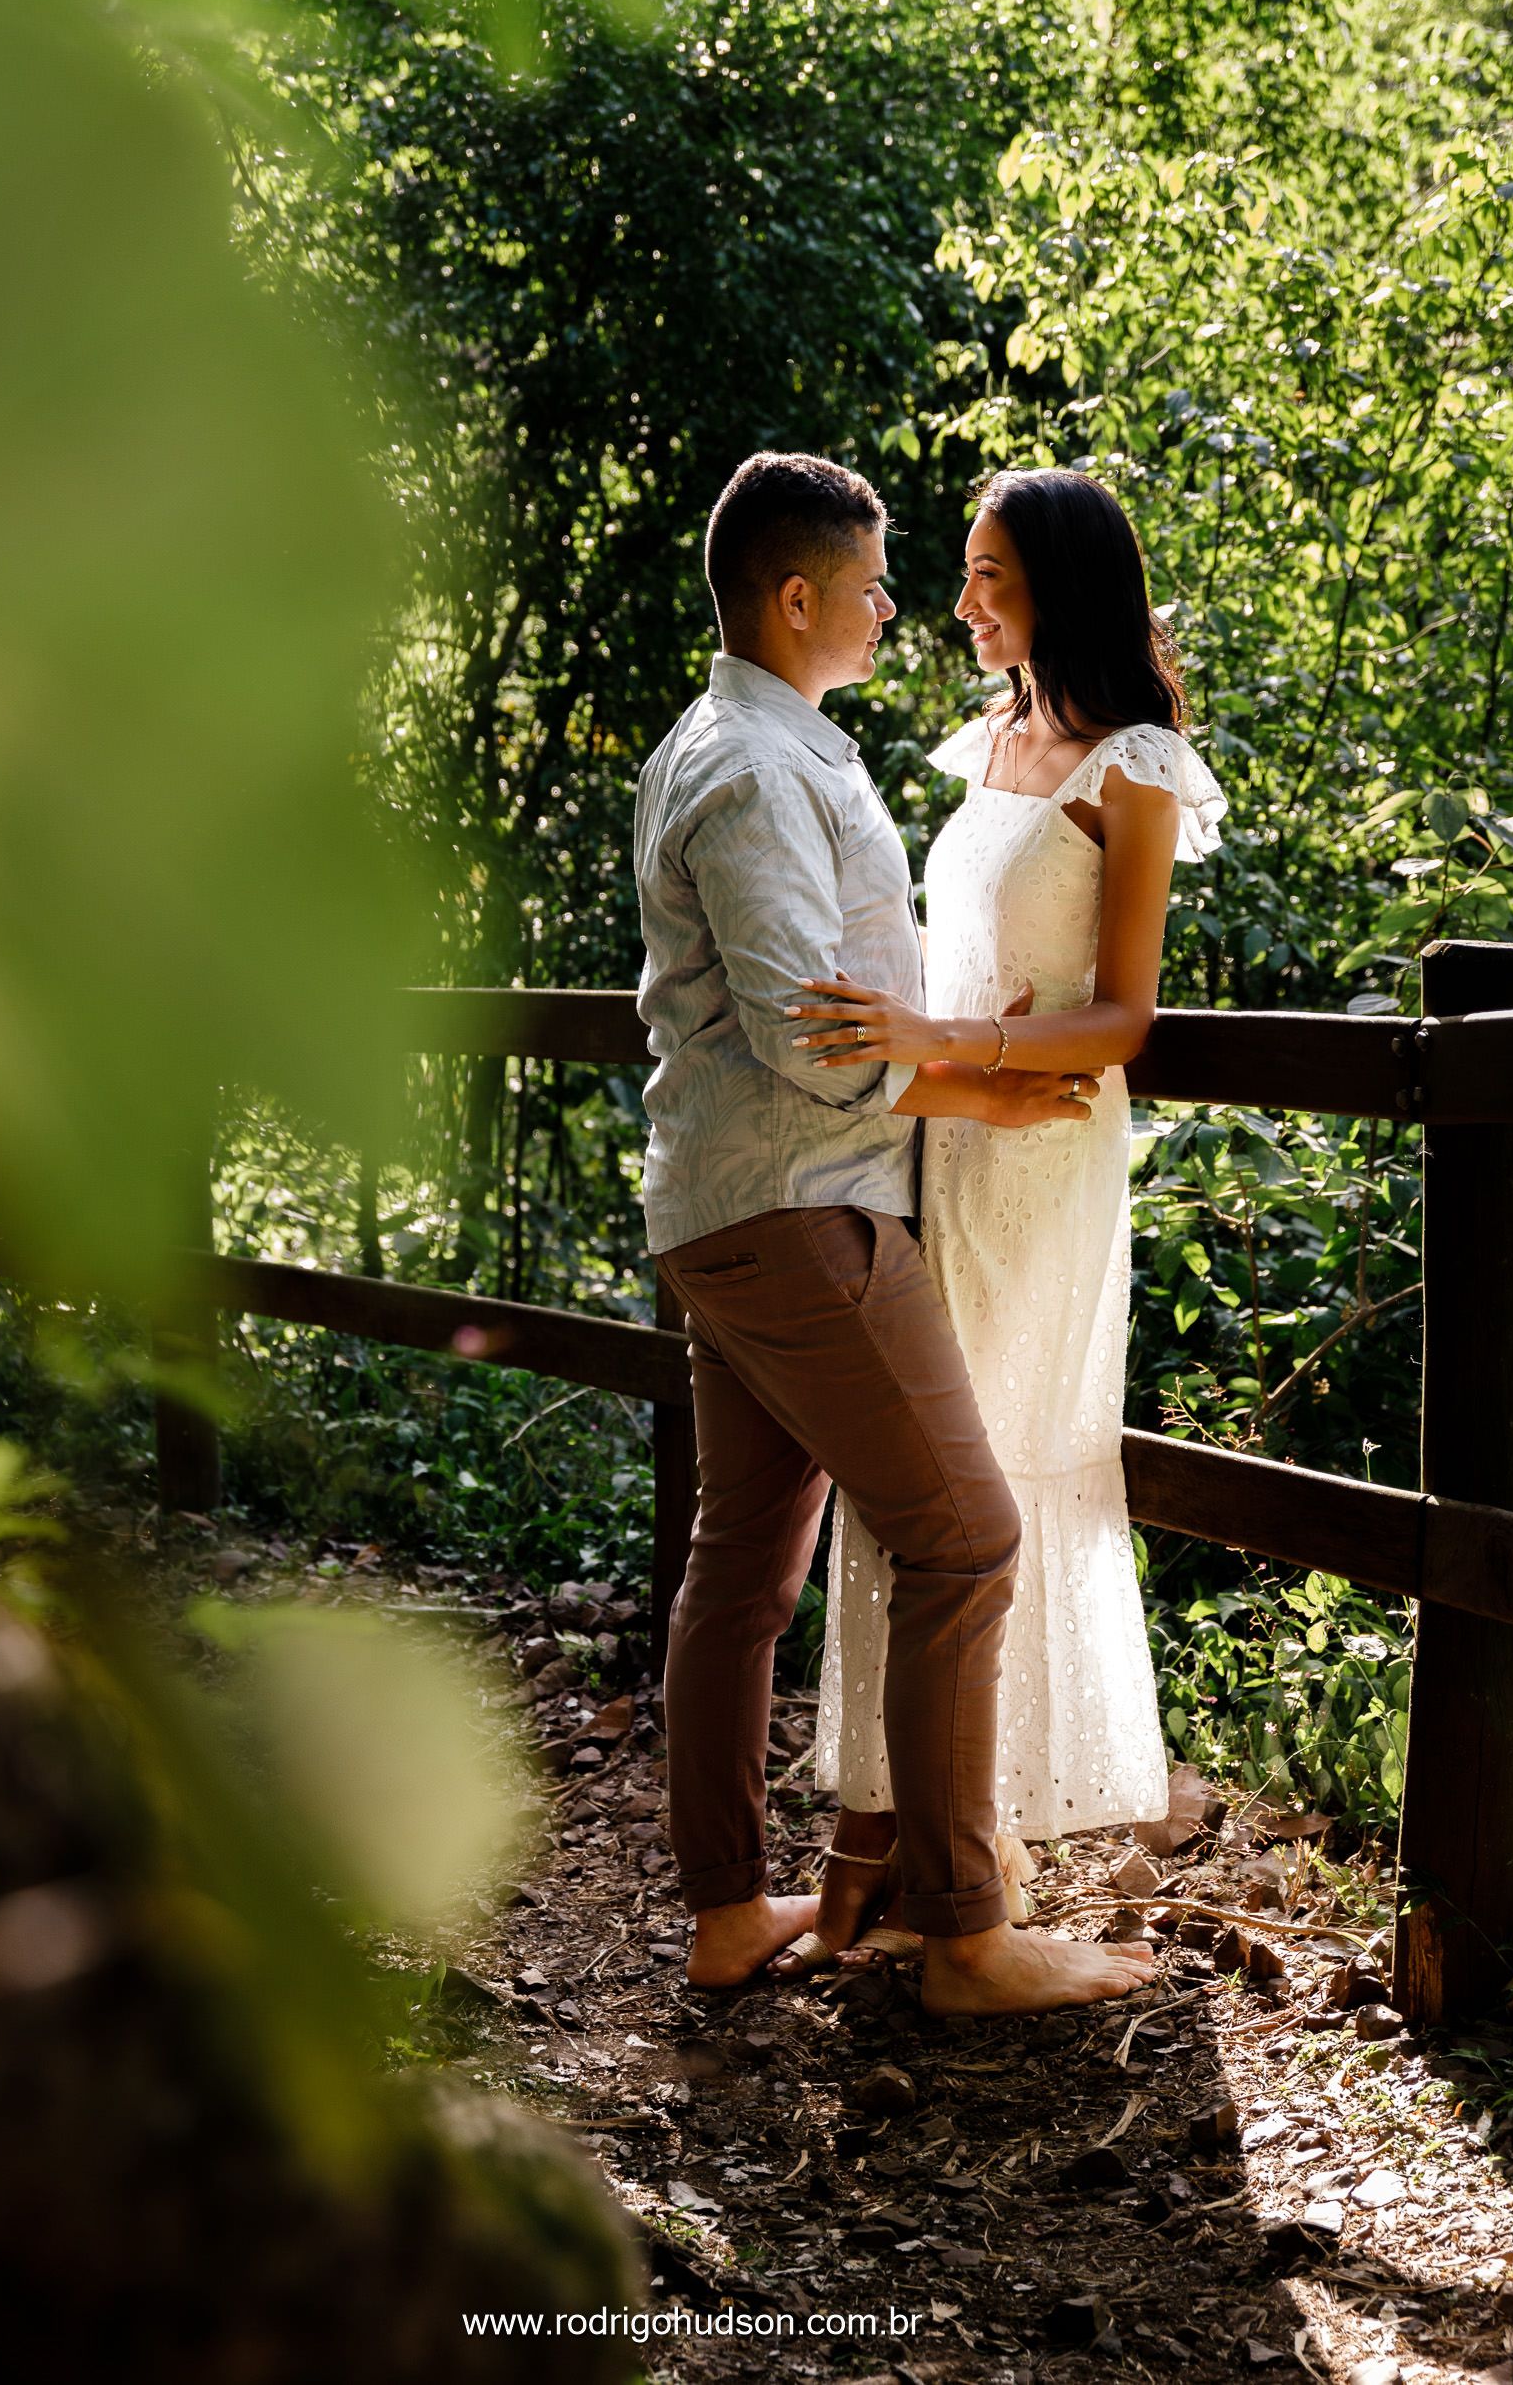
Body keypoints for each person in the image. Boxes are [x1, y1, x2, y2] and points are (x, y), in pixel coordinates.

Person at [633, 450, 1160, 2017]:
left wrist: (961, 1085)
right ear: (797, 600)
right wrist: (978, 1091)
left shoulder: (743, 745)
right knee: (968, 1537)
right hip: (801, 1210)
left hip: (748, 1204)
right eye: (871, 584)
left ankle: (732, 1909)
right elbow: (813, 1028)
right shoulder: (752, 770)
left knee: (742, 1565)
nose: (897, 605)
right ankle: (967, 1932)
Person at [785, 466, 1227, 1975]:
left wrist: (953, 1050)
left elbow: (1119, 1019)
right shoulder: (985, 742)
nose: (962, 603)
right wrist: (930, 1055)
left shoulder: (1138, 767)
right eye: (963, 574)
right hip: (946, 1135)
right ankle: (888, 1837)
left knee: (998, 1473)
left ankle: (947, 1844)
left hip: (1040, 1151)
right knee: (913, 1481)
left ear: (1064, 589)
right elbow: (939, 957)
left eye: (992, 578)